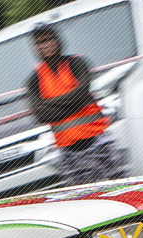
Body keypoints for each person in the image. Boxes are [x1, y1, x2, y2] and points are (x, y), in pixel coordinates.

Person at [25, 23, 124, 185]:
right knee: (84, 197)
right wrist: (75, 103)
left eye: (49, 39)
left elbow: (81, 94)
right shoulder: (35, 79)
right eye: (41, 42)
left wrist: (49, 103)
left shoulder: (76, 63)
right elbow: (40, 115)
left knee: (122, 185)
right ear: (35, 47)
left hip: (98, 141)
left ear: (58, 40)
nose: (46, 44)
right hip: (68, 151)